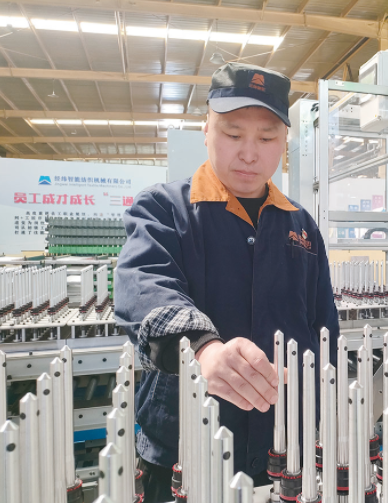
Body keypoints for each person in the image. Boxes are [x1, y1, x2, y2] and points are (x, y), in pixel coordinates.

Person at [115, 62, 339, 503]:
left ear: (284, 143)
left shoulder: (302, 226)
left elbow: (321, 328)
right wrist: (202, 348)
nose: (250, 154)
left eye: (267, 139)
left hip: (286, 446)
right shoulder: (164, 210)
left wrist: (322, 419)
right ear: (206, 131)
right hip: (184, 448)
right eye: (233, 134)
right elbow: (142, 284)